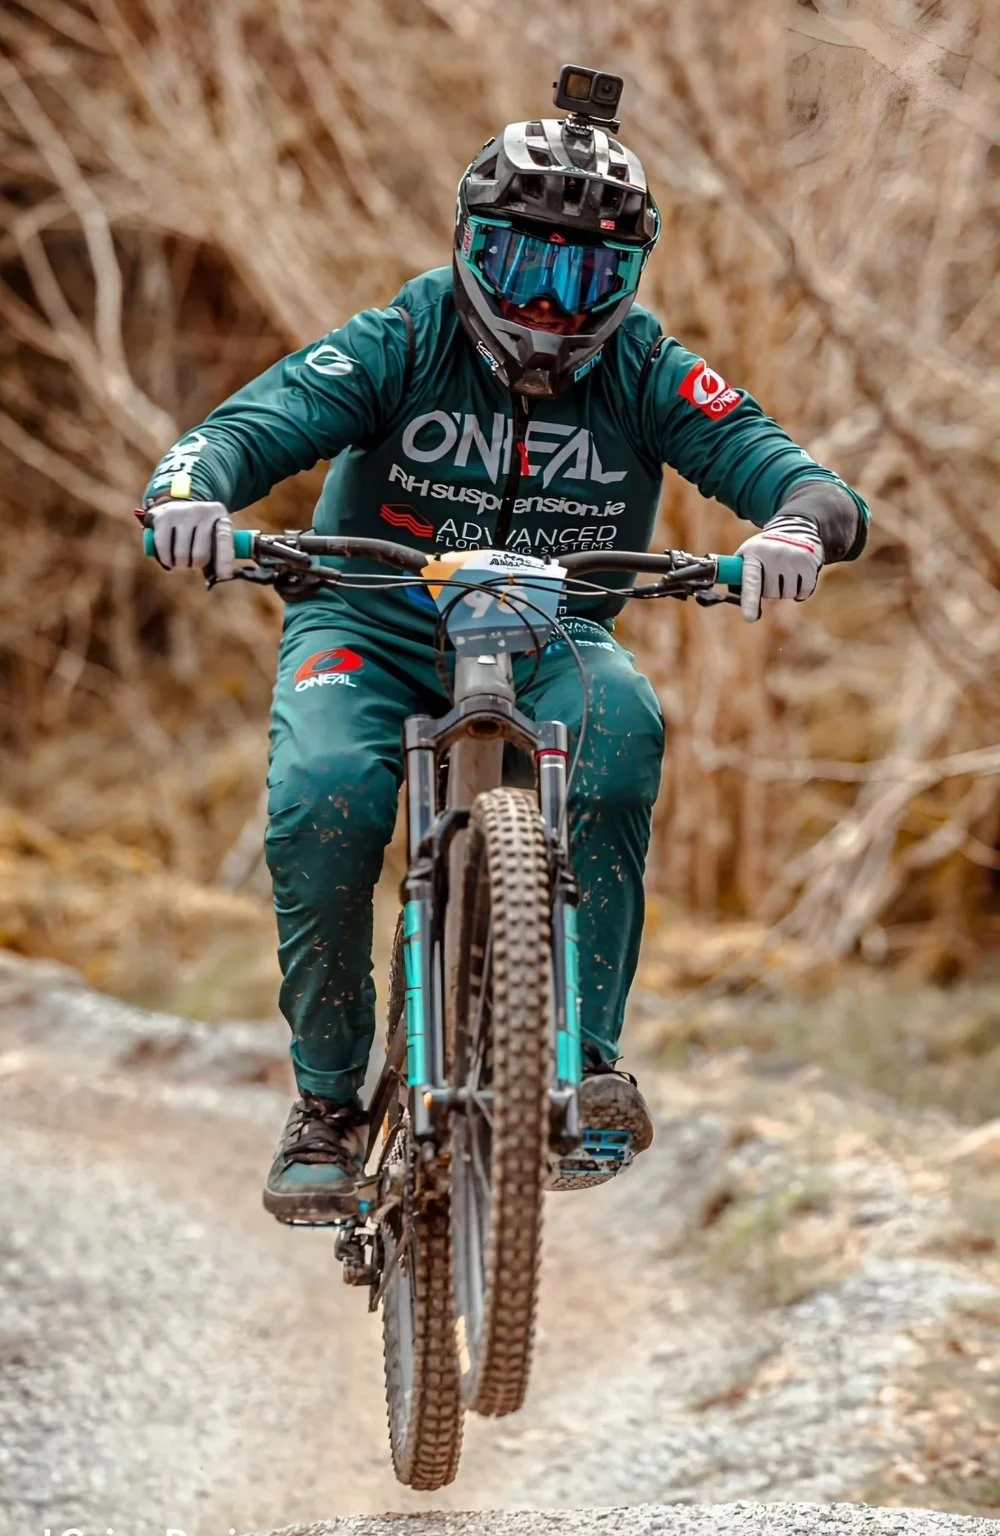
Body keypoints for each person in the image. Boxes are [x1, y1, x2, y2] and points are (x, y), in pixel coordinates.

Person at [140, 93, 869, 1223]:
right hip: (368, 622)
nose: (545, 302)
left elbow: (794, 473)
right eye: (520, 264)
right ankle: (328, 1105)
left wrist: (792, 530)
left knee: (620, 727)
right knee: (321, 798)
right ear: (466, 246)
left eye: (583, 277)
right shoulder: (404, 335)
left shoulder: (643, 367)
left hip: (552, 631)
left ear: (626, 281)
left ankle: (582, 1067)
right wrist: (190, 495)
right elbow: (247, 427)